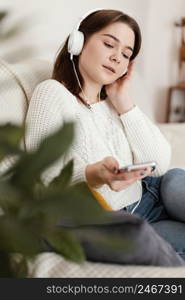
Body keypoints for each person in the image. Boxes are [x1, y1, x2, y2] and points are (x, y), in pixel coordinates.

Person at [25, 9, 185, 266]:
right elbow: (44, 168)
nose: (116, 58)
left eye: (125, 54)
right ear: (78, 42)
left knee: (177, 179)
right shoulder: (52, 93)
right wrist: (93, 173)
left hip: (153, 194)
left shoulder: (114, 104)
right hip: (122, 221)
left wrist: (124, 103)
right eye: (109, 44)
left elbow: (159, 162)